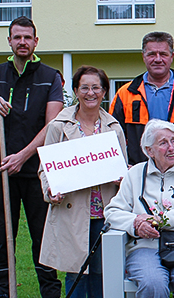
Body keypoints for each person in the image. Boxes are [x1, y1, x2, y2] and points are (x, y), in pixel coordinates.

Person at [0, 16, 63, 298]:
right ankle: (2, 292)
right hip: (0, 172)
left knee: (42, 238)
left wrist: (22, 156)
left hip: (36, 172)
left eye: (28, 37)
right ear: (9, 41)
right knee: (2, 238)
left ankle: (50, 291)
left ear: (36, 41)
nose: (23, 42)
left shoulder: (50, 77)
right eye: (17, 37)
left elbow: (53, 125)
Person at [37, 66, 127, 298]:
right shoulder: (58, 125)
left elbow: (124, 169)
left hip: (104, 211)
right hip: (72, 210)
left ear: (104, 91)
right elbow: (45, 168)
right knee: (75, 272)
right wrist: (50, 190)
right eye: (84, 87)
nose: (90, 93)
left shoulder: (114, 128)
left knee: (101, 272)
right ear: (76, 91)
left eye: (96, 87)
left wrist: (122, 178)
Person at [104, 119, 174, 298]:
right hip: (146, 247)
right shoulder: (135, 174)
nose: (171, 147)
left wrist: (159, 220)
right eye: (163, 143)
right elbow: (112, 212)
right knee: (152, 284)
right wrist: (136, 222)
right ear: (149, 151)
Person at [109, 31, 174, 169]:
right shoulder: (125, 93)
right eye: (151, 54)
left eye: (163, 54)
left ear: (172, 56)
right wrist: (123, 167)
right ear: (143, 56)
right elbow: (113, 136)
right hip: (139, 172)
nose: (158, 59)